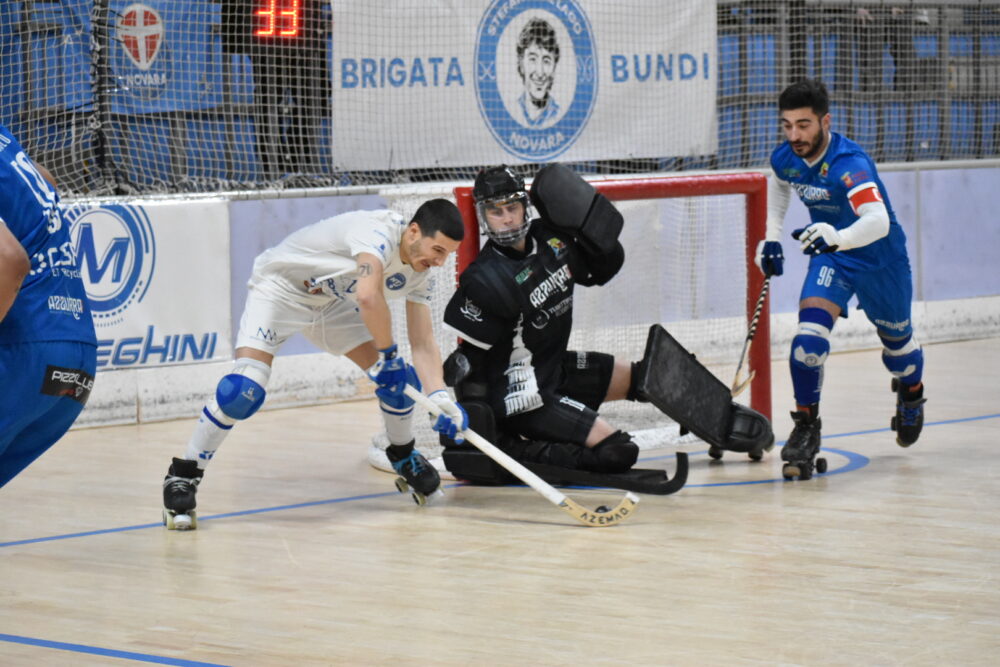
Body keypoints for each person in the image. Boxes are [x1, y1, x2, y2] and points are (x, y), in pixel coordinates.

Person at [440, 165, 773, 488]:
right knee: (617, 451)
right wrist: (480, 432)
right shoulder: (485, 279)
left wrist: (598, 238)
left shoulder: (550, 239)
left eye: (512, 207)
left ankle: (724, 420)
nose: (507, 218)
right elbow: (469, 363)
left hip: (555, 369)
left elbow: (599, 272)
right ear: (484, 217)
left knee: (652, 377)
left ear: (525, 206)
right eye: (496, 212)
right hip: (525, 397)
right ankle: (515, 452)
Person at [161, 199, 469, 528]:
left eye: (447, 254)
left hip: (330, 302)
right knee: (243, 390)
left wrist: (438, 395)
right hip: (281, 291)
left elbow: (423, 342)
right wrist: (388, 355)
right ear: (413, 231)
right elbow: (367, 296)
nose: (439, 261)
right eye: (437, 250)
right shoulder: (376, 231)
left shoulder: (421, 272)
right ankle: (183, 474)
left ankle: (404, 455)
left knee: (402, 385)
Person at [758, 79, 927, 481]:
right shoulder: (785, 156)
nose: (794, 136)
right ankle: (806, 426)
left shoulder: (850, 163)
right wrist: (770, 236)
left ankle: (913, 394)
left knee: (900, 355)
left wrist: (840, 236)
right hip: (832, 258)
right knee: (808, 342)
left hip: (879, 261)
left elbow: (878, 220)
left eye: (803, 125)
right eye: (786, 125)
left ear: (825, 121)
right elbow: (780, 187)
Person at [0, 122, 98, 488]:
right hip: (75, 361)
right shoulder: (5, 140)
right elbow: (46, 180)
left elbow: (9, 259)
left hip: (20, 353)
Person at [516, 18, 561, 127]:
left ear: (554, 68)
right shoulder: (514, 109)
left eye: (546, 61)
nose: (540, 73)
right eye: (532, 59)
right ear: (521, 64)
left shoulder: (558, 114)